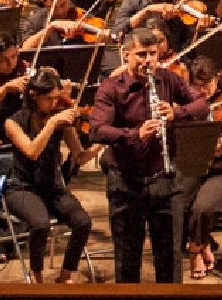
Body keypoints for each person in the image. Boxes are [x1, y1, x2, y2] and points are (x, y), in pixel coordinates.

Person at [89, 27, 209, 283]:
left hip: (165, 181)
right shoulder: (111, 88)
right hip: (126, 183)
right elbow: (97, 130)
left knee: (169, 261)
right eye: (141, 54)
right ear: (126, 54)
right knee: (127, 262)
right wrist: (134, 134)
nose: (148, 61)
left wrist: (177, 113)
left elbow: (201, 103)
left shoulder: (168, 79)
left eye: (152, 54)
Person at [4, 66, 97, 284]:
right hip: (22, 187)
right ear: (33, 96)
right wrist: (52, 124)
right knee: (41, 224)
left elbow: (79, 156)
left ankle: (65, 276)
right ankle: (37, 278)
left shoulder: (59, 118)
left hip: (51, 186)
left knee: (83, 221)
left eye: (57, 98)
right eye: (49, 99)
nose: (55, 104)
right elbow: (31, 151)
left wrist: (99, 146)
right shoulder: (13, 122)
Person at [182, 56, 222, 280]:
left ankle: (195, 250)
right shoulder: (186, 105)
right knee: (173, 200)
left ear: (217, 79)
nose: (201, 91)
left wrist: (220, 144)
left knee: (203, 207)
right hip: (195, 167)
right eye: (196, 86)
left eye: (206, 84)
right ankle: (204, 241)